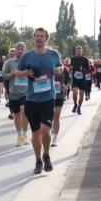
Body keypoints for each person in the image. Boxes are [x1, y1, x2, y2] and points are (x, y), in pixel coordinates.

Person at [14, 28, 63, 174]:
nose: (39, 38)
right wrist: (26, 73)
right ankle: (38, 160)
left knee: (45, 130)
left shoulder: (53, 54)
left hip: (48, 98)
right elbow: (17, 72)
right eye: (37, 36)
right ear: (33, 38)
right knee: (35, 133)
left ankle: (46, 154)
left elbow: (60, 67)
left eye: (42, 36)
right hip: (31, 99)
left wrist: (60, 70)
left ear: (46, 38)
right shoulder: (27, 56)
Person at [3, 43, 29, 145]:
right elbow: (4, 76)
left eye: (22, 48)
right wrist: (12, 74)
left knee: (24, 113)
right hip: (13, 93)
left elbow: (33, 74)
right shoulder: (9, 62)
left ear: (25, 49)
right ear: (16, 50)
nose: (20, 50)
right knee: (17, 115)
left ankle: (25, 134)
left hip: (25, 92)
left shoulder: (28, 62)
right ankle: (19, 136)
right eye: (18, 48)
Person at [52, 60, 71, 147]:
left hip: (59, 96)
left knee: (56, 116)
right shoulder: (45, 67)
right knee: (48, 116)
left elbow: (70, 80)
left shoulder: (64, 69)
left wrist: (67, 86)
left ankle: (54, 138)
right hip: (47, 96)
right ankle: (47, 133)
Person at [70, 46, 92, 115]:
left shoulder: (85, 59)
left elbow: (88, 69)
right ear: (75, 52)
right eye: (77, 51)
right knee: (75, 93)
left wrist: (83, 69)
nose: (78, 53)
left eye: (79, 52)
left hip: (82, 80)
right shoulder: (73, 59)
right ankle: (75, 104)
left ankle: (79, 108)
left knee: (81, 95)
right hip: (75, 79)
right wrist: (71, 68)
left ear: (82, 52)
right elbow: (71, 67)